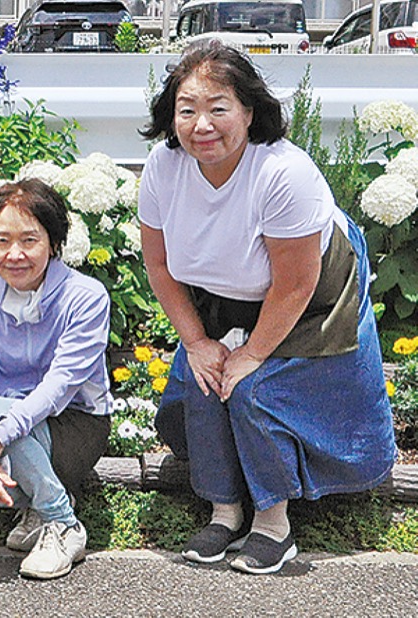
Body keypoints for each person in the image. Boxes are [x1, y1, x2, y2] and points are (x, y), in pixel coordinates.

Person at [138, 40, 395, 574]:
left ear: (250, 112)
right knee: (206, 379)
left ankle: (274, 523)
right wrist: (197, 342)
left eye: (218, 108)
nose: (201, 125)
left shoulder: (283, 172)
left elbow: (295, 285)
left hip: (311, 292)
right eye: (187, 110)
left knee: (253, 388)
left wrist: (253, 353)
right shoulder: (163, 167)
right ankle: (224, 508)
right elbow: (159, 267)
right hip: (223, 289)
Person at [0, 179, 112, 580]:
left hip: (74, 424)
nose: (14, 254)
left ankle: (62, 522)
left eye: (29, 240)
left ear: (53, 243)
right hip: (0, 424)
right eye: (2, 241)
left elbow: (59, 387)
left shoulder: (86, 296)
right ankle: (39, 503)